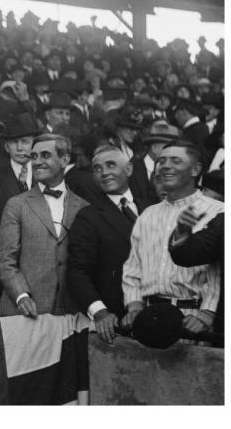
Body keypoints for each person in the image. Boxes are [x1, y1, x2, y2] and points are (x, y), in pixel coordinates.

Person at [121, 140, 222, 338]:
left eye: (176, 161)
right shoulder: (148, 214)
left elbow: (218, 272)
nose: (166, 165)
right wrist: (134, 306)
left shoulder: (217, 212)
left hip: (193, 320)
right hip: (149, 318)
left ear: (195, 170)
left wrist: (206, 314)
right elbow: (133, 268)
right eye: (162, 161)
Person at [0, 133, 89, 317]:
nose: (37, 162)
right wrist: (21, 296)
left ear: (64, 160)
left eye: (45, 155)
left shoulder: (83, 207)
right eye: (34, 156)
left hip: (68, 314)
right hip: (22, 312)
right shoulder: (17, 204)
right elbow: (6, 260)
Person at [67, 145, 149, 343]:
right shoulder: (89, 216)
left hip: (155, 313)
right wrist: (100, 312)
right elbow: (77, 272)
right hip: (116, 321)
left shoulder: (151, 207)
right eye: (97, 169)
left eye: (111, 165)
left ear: (128, 169)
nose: (104, 173)